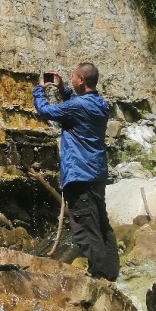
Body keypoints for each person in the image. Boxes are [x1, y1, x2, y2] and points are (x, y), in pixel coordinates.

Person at [33, 62, 120, 281]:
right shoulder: (101, 104)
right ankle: (111, 273)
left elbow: (45, 111)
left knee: (86, 228)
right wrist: (63, 90)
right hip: (97, 173)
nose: (71, 80)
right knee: (101, 223)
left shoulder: (76, 107)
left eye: (73, 78)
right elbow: (78, 106)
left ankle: (99, 278)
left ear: (81, 80)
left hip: (79, 174)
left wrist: (39, 89)